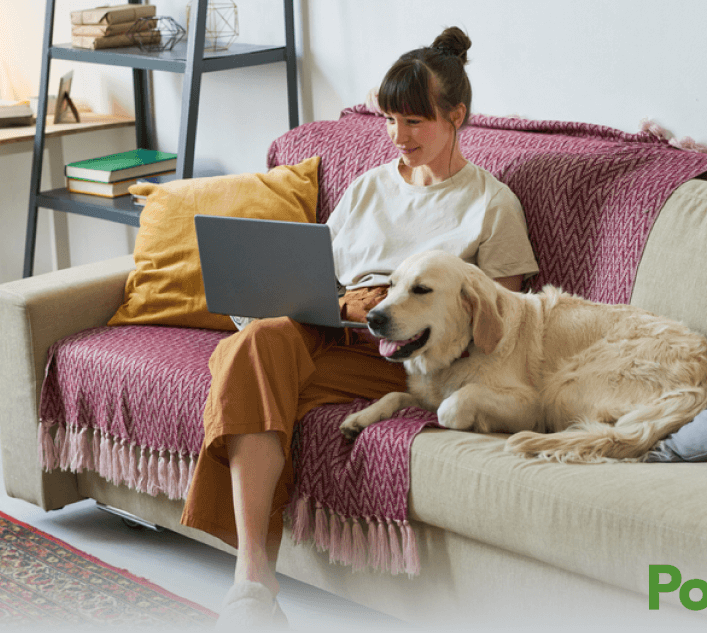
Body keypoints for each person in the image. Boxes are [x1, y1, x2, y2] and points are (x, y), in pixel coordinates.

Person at [180, 26, 539, 628]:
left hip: (407, 354)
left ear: (457, 116)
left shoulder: (490, 204)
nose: (398, 138)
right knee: (257, 343)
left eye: (415, 122)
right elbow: (324, 273)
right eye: (390, 120)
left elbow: (506, 323)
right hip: (334, 323)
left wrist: (409, 320)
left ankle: (250, 587)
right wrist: (314, 303)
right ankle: (253, 582)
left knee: (250, 375)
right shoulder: (369, 186)